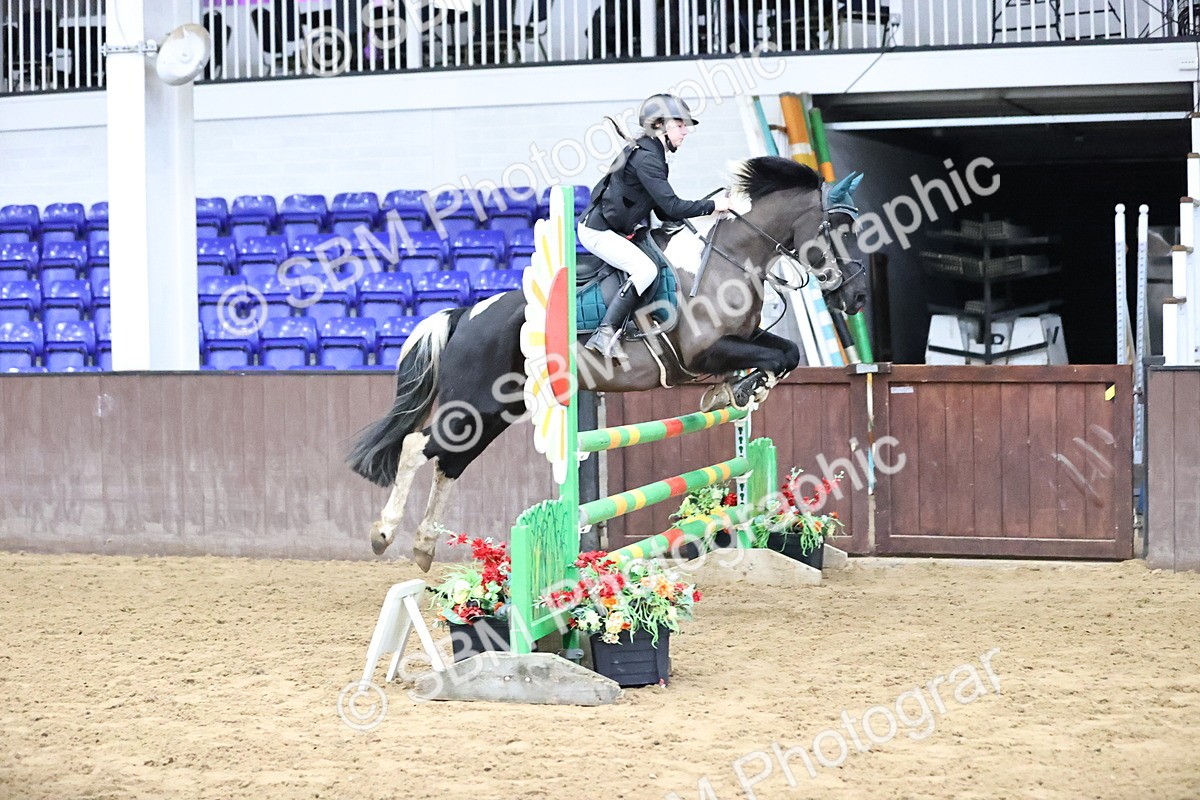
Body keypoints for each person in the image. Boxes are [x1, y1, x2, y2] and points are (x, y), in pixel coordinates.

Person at [577, 93, 733, 360]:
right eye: (680, 124)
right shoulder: (648, 158)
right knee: (645, 269)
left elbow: (661, 210)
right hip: (598, 232)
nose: (686, 131)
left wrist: (701, 216)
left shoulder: (652, 153)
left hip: (616, 229)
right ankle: (605, 333)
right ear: (660, 124)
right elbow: (671, 207)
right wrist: (712, 206)